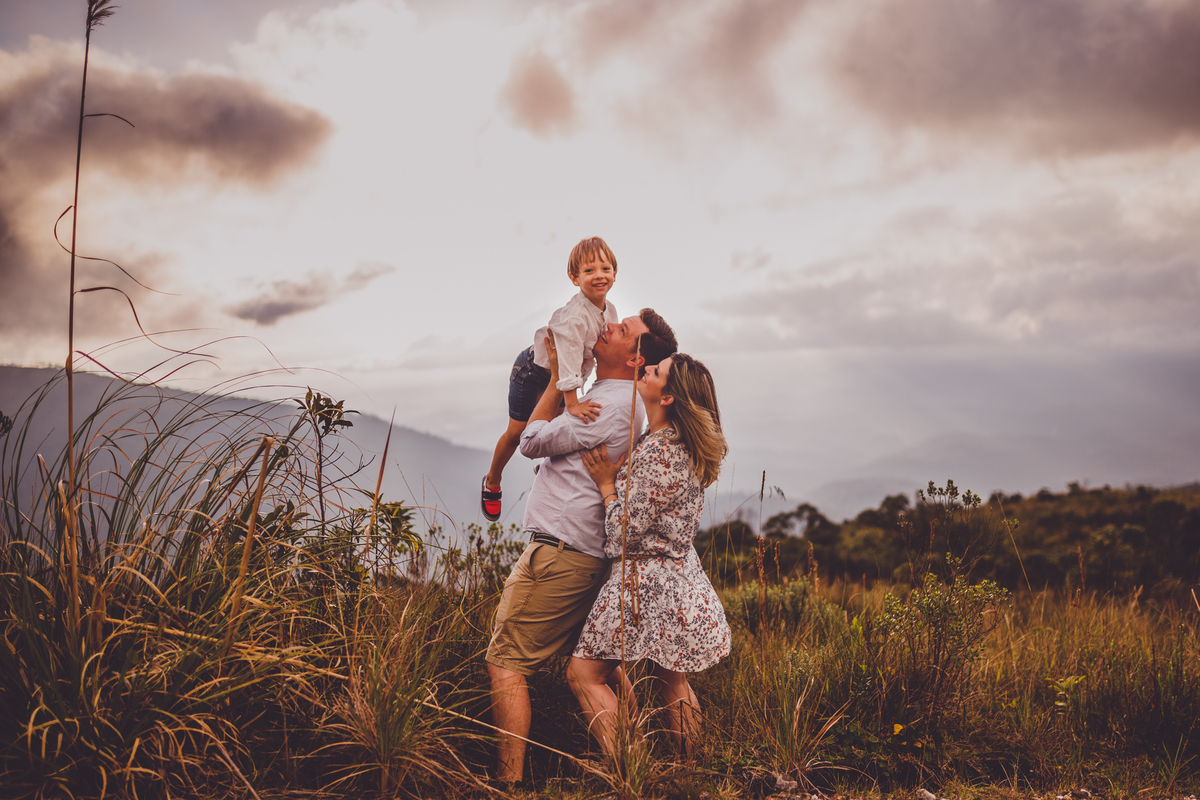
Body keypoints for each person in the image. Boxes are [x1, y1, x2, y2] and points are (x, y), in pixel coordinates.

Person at [485, 308, 679, 785]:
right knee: (603, 669)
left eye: (622, 330)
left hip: (561, 553)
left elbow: (531, 441)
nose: (608, 327)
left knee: (505, 664)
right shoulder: (616, 398)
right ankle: (639, 762)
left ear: (634, 359)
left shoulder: (607, 407)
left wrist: (557, 377)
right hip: (583, 553)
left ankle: (509, 784)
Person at [567, 352, 731, 759]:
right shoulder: (669, 443)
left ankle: (630, 767)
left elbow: (624, 533)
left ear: (668, 397)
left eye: (656, 371)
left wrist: (607, 485)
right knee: (670, 682)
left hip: (646, 583)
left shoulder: (661, 452)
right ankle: (693, 770)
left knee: (584, 674)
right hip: (678, 579)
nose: (647, 370)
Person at [481, 237, 620, 522]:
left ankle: (547, 472)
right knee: (518, 433)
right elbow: (567, 362)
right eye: (589, 270)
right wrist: (573, 403)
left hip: (565, 376)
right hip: (534, 371)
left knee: (555, 431)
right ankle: (492, 480)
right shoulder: (576, 317)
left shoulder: (610, 310)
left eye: (605, 268)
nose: (599, 275)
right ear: (574, 278)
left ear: (615, 273)